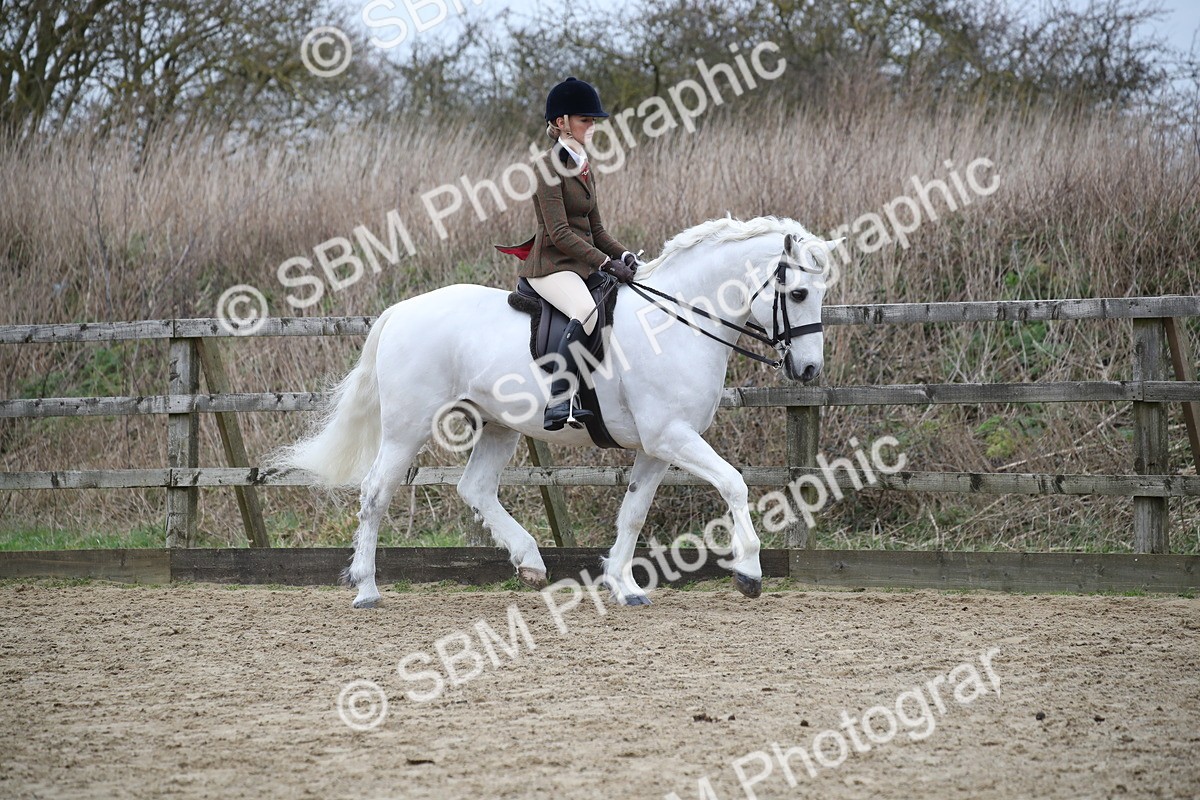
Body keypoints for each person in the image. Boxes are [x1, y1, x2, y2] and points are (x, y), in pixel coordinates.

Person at [497, 76, 642, 431]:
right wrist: (605, 263)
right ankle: (560, 398)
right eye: (585, 121)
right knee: (585, 310)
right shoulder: (547, 167)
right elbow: (560, 234)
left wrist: (624, 257)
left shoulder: (583, 166)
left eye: (593, 121)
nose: (591, 128)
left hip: (581, 264)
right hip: (551, 266)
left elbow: (597, 231)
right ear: (561, 123)